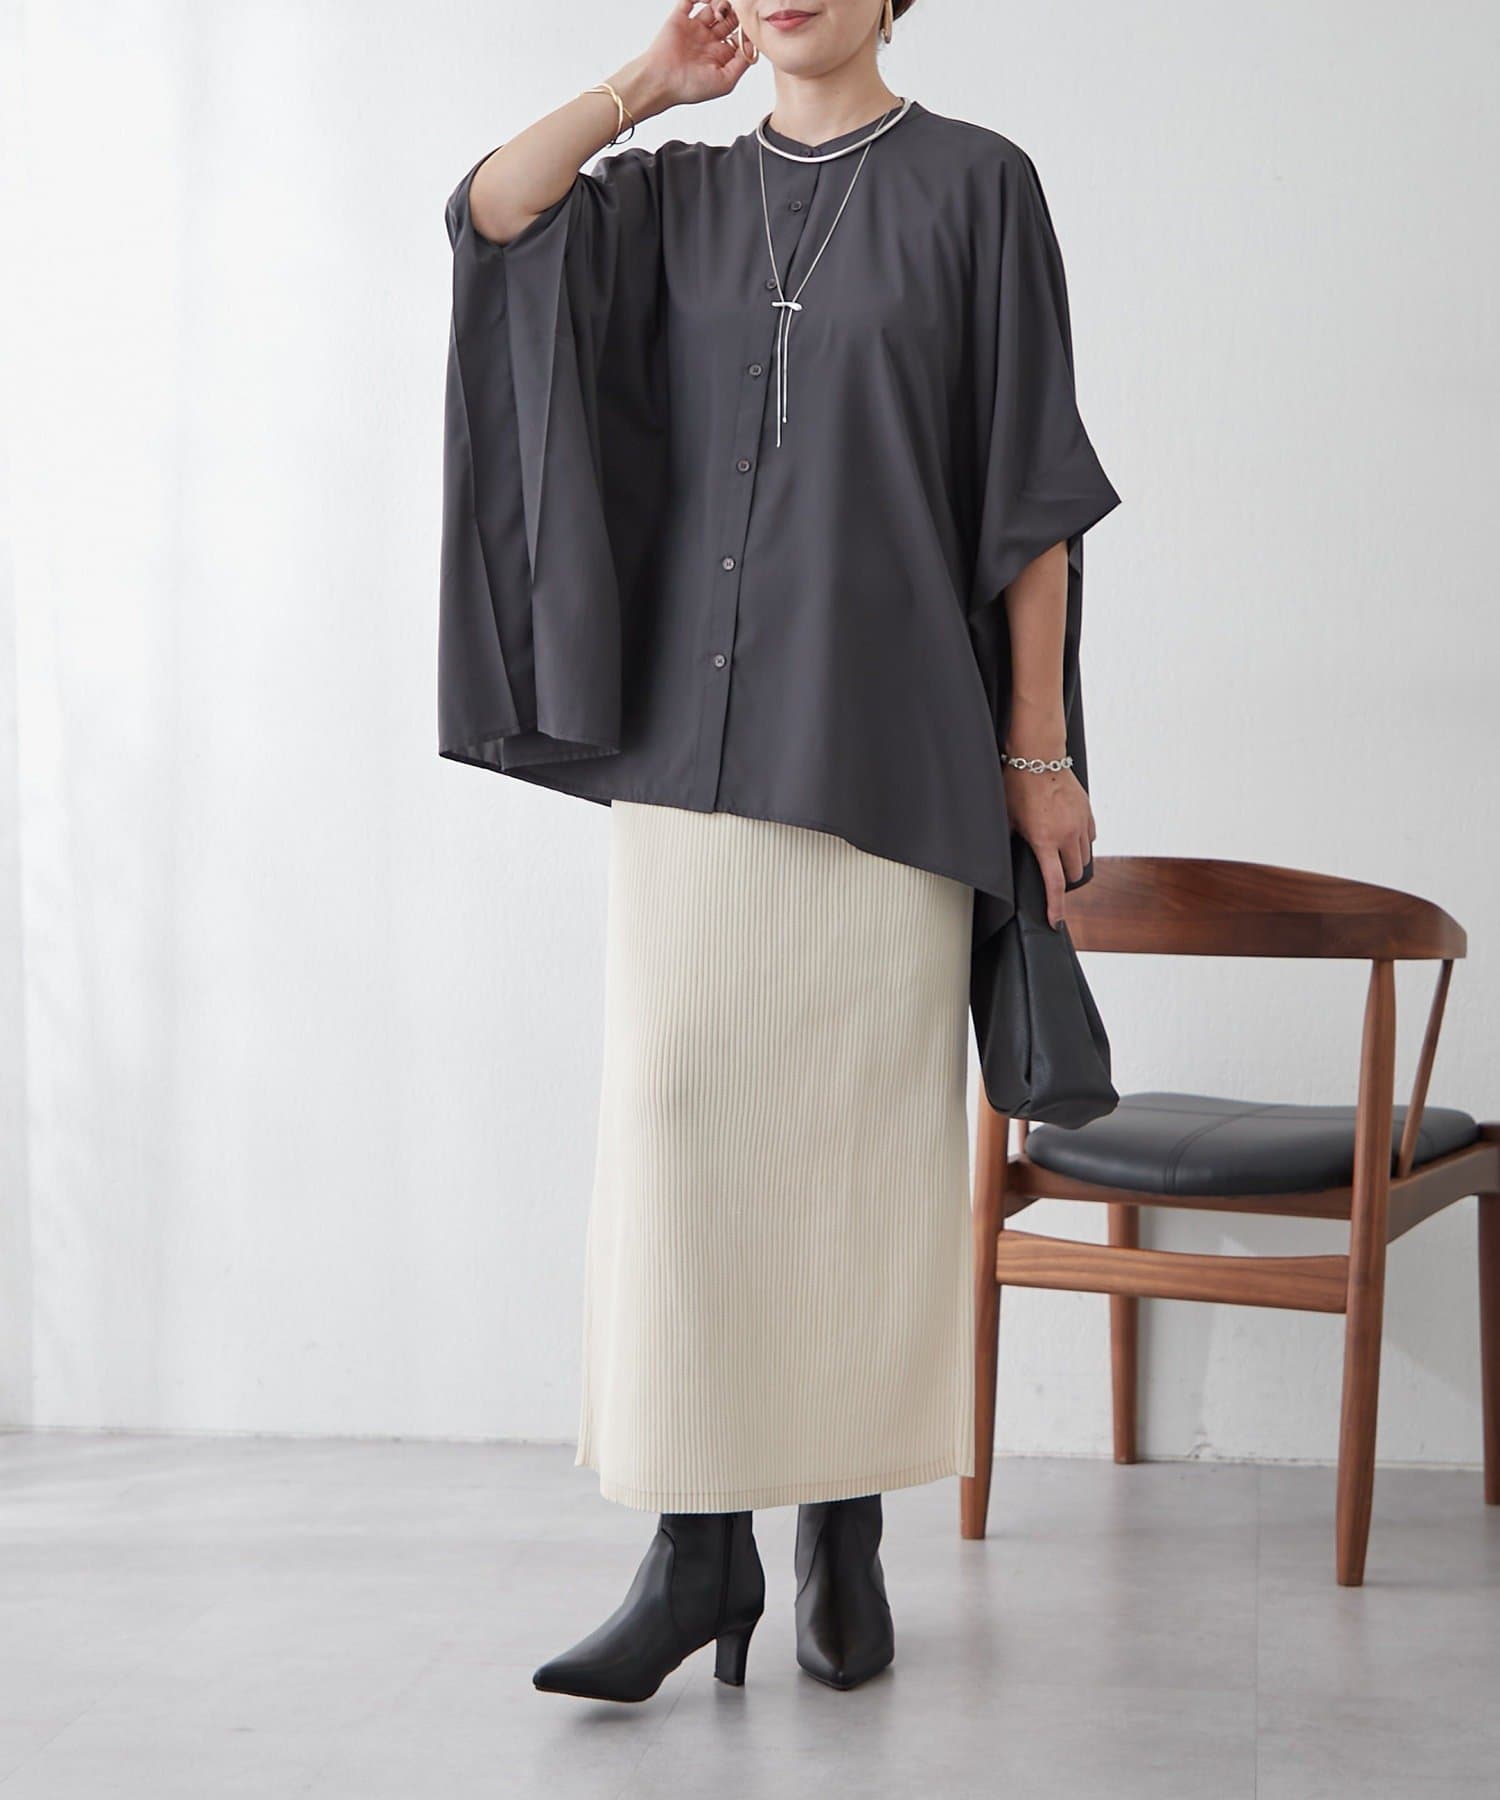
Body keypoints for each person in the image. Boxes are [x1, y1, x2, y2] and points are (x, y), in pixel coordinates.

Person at [438, 0, 1120, 1702]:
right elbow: (496, 212)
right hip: (697, 752)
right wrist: (645, 86)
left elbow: (1032, 495)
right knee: (679, 1140)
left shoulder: (977, 186)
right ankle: (695, 1555)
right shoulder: (671, 196)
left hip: (892, 750)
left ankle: (842, 1532)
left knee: (855, 1158)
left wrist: (1038, 751)